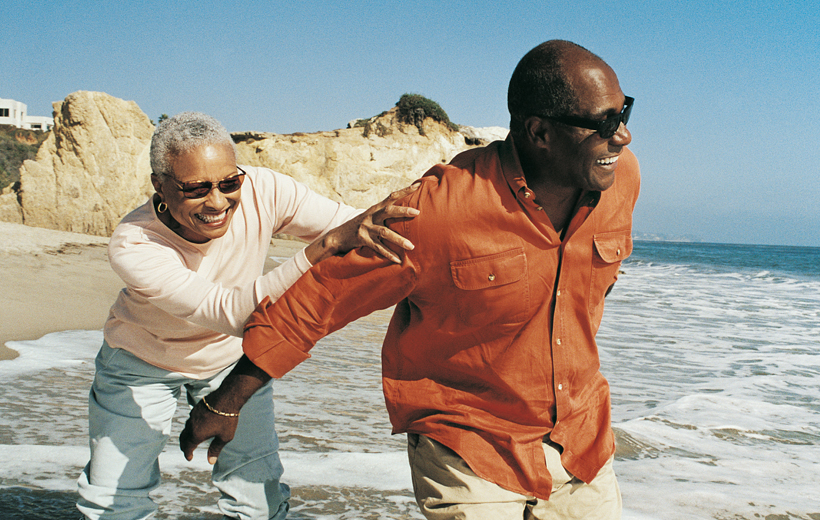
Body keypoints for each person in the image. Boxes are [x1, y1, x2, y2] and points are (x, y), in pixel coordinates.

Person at [181, 39, 640, 520]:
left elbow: (594, 283)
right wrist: (228, 401)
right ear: (539, 131)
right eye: (605, 123)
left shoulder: (620, 180)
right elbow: (321, 301)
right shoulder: (438, 211)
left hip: (580, 442)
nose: (623, 136)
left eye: (624, 113)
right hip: (469, 446)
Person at [76, 111, 419, 520]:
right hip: (140, 364)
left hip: (231, 359)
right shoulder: (134, 244)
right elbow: (232, 312)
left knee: (257, 500)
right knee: (114, 500)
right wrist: (325, 246)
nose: (217, 202)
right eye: (196, 188)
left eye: (228, 183)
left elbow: (356, 225)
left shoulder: (264, 189)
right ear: (160, 185)